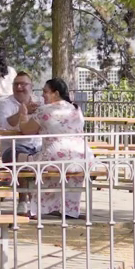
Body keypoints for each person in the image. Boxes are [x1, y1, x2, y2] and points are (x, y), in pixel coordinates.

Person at [13, 78, 91, 218]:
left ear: (56, 93)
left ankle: (27, 201)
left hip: (55, 157)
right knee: (52, 165)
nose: (42, 95)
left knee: (15, 155)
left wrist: (23, 115)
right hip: (83, 157)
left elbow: (26, 130)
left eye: (45, 92)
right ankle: (67, 209)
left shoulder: (44, 110)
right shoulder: (76, 109)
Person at [0, 72, 40, 162]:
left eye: (23, 84)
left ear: (31, 86)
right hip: (14, 147)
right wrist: (21, 113)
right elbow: (3, 125)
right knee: (18, 156)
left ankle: (32, 161)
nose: (19, 87)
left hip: (38, 147)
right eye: (16, 84)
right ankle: (32, 161)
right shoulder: (4, 103)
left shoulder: (40, 102)